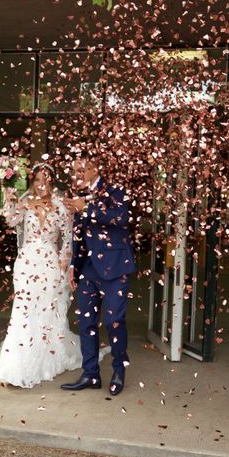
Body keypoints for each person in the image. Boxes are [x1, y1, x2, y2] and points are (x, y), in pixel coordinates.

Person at [0, 162, 83, 388]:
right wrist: (9, 196)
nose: (41, 184)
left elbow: (67, 236)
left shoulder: (60, 206)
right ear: (32, 182)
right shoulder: (25, 203)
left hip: (51, 265)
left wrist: (65, 264)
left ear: (51, 181)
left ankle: (47, 357)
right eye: (37, 180)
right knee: (24, 311)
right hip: (26, 264)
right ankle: (17, 364)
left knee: (47, 310)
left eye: (45, 179)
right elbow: (11, 220)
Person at [61, 152, 136, 396]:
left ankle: (118, 371)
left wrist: (88, 208)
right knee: (86, 323)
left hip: (115, 267)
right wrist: (74, 265)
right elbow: (78, 233)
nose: (77, 175)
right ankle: (91, 374)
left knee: (115, 322)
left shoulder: (116, 191)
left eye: (81, 170)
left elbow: (122, 218)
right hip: (89, 270)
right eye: (74, 171)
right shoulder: (79, 195)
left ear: (95, 169)